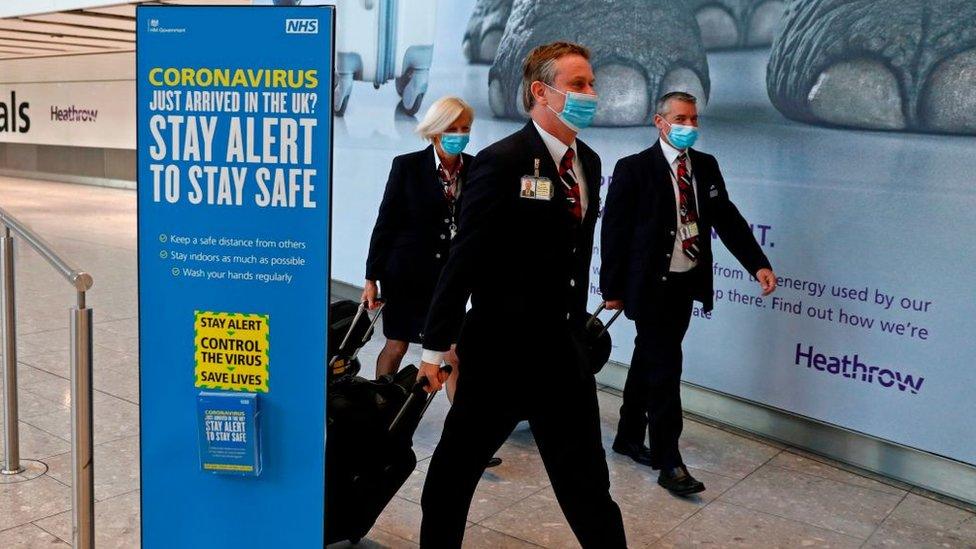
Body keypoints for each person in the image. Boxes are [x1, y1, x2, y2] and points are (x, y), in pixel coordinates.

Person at [415, 42, 627, 548]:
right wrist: (433, 348)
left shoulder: (588, 164)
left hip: (563, 358)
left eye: (591, 83)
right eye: (578, 84)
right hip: (499, 356)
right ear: (541, 91)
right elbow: (462, 260)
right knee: (450, 483)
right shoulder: (501, 162)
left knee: (588, 489)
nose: (590, 94)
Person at [600, 91, 778, 496]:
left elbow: (727, 219)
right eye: (681, 118)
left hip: (686, 281)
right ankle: (669, 460)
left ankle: (628, 436)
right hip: (649, 286)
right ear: (659, 122)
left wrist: (757, 263)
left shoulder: (705, 166)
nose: (689, 127)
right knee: (666, 370)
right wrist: (612, 288)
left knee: (650, 358)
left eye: (694, 119)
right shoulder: (634, 169)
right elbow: (614, 232)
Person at [363, 96, 473, 385]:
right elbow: (386, 223)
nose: (460, 136)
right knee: (396, 344)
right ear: (435, 130)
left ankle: (457, 426)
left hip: (450, 277)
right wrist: (371, 277)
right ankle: (383, 410)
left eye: (465, 129)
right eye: (453, 128)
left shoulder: (476, 168)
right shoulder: (407, 166)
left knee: (452, 353)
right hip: (406, 274)